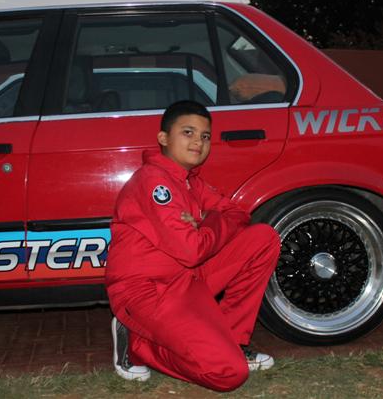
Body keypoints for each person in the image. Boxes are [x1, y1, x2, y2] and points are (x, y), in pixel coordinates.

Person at [105, 100, 281, 392]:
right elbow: (192, 250)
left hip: (186, 279)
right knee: (229, 374)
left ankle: (234, 340)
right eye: (188, 132)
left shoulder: (190, 182)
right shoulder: (154, 182)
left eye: (205, 136)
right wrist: (209, 222)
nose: (198, 141)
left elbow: (237, 214)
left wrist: (204, 221)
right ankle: (139, 344)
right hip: (148, 290)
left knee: (263, 238)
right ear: (163, 138)